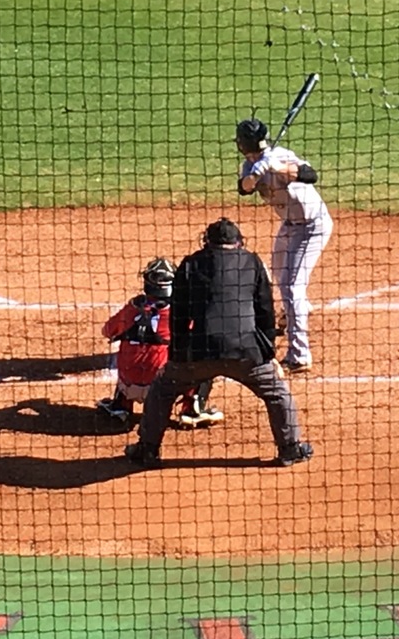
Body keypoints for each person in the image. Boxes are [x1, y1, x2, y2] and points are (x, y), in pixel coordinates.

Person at [124, 218, 313, 469]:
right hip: (247, 353)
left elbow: (180, 315)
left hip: (200, 351)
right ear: (238, 242)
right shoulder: (253, 262)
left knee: (162, 391)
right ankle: (290, 449)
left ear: (208, 242)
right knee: (278, 394)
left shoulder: (191, 263)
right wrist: (269, 356)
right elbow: (265, 313)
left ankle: (147, 450)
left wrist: (177, 357)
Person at [235, 116, 331, 374]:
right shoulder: (249, 165)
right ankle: (295, 313)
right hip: (289, 226)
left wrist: (279, 168)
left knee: (291, 286)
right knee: (277, 274)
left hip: (313, 227)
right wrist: (255, 175)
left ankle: (300, 355)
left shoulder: (282, 156)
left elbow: (311, 175)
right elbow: (243, 189)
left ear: (244, 143)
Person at [97, 258, 224, 430]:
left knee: (130, 353)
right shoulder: (180, 311)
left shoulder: (132, 307)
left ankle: (121, 405)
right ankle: (192, 410)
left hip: (128, 384)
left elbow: (107, 331)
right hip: (162, 389)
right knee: (204, 355)